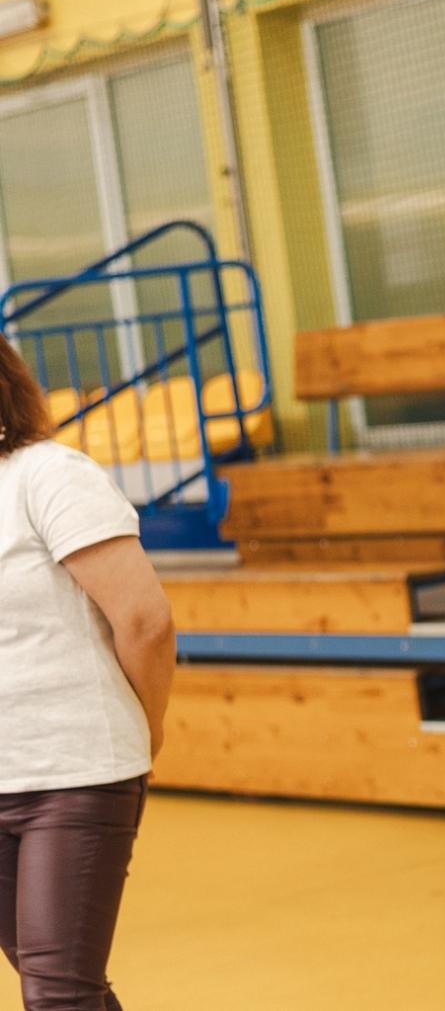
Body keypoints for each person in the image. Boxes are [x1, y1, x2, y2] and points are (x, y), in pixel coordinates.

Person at [0, 335, 176, 1010]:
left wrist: (145, 727)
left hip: (74, 771)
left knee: (56, 990)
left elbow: (145, 620)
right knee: (56, 979)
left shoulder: (49, 474)